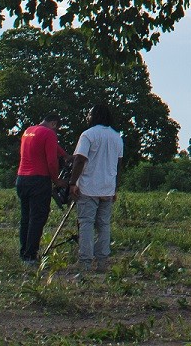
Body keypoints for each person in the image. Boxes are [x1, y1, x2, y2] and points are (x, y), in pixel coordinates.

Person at [65, 104, 123, 274]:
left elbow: (80, 160)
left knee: (86, 224)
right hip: (107, 188)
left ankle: (85, 262)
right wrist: (114, 188)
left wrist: (72, 183)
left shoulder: (88, 135)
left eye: (90, 114)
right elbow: (119, 165)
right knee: (104, 225)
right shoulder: (116, 137)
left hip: (89, 187)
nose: (88, 117)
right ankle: (102, 262)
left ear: (95, 116)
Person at [15, 114, 63, 264]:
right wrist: (57, 180)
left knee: (26, 218)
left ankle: (24, 253)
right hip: (39, 180)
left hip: (22, 178)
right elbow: (51, 161)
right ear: (54, 124)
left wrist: (65, 155)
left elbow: (51, 146)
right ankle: (31, 255)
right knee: (37, 218)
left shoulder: (29, 130)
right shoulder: (49, 133)